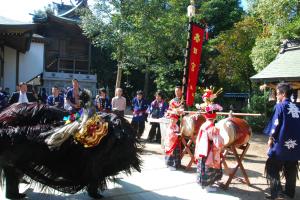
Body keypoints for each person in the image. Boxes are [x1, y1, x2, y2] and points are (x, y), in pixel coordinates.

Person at [264, 83, 300, 200]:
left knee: (271, 166)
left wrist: (270, 138)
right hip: (295, 145)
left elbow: (276, 124)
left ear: (283, 94)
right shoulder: (298, 107)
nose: (276, 95)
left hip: (281, 144)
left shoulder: (280, 106)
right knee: (291, 167)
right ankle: (289, 194)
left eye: (277, 93)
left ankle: (278, 194)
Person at [194, 88, 223, 192]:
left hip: (202, 150)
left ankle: (203, 182)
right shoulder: (212, 127)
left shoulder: (204, 125)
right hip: (209, 150)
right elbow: (217, 141)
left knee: (202, 165)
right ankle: (208, 185)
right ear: (214, 118)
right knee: (209, 167)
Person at [164, 86, 184, 170]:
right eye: (175, 91)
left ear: (181, 91)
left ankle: (178, 163)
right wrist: (172, 112)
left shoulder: (184, 100)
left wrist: (180, 112)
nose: (177, 92)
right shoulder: (172, 101)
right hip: (173, 122)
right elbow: (168, 111)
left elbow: (185, 111)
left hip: (181, 122)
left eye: (178, 91)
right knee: (172, 142)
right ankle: (170, 163)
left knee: (179, 144)